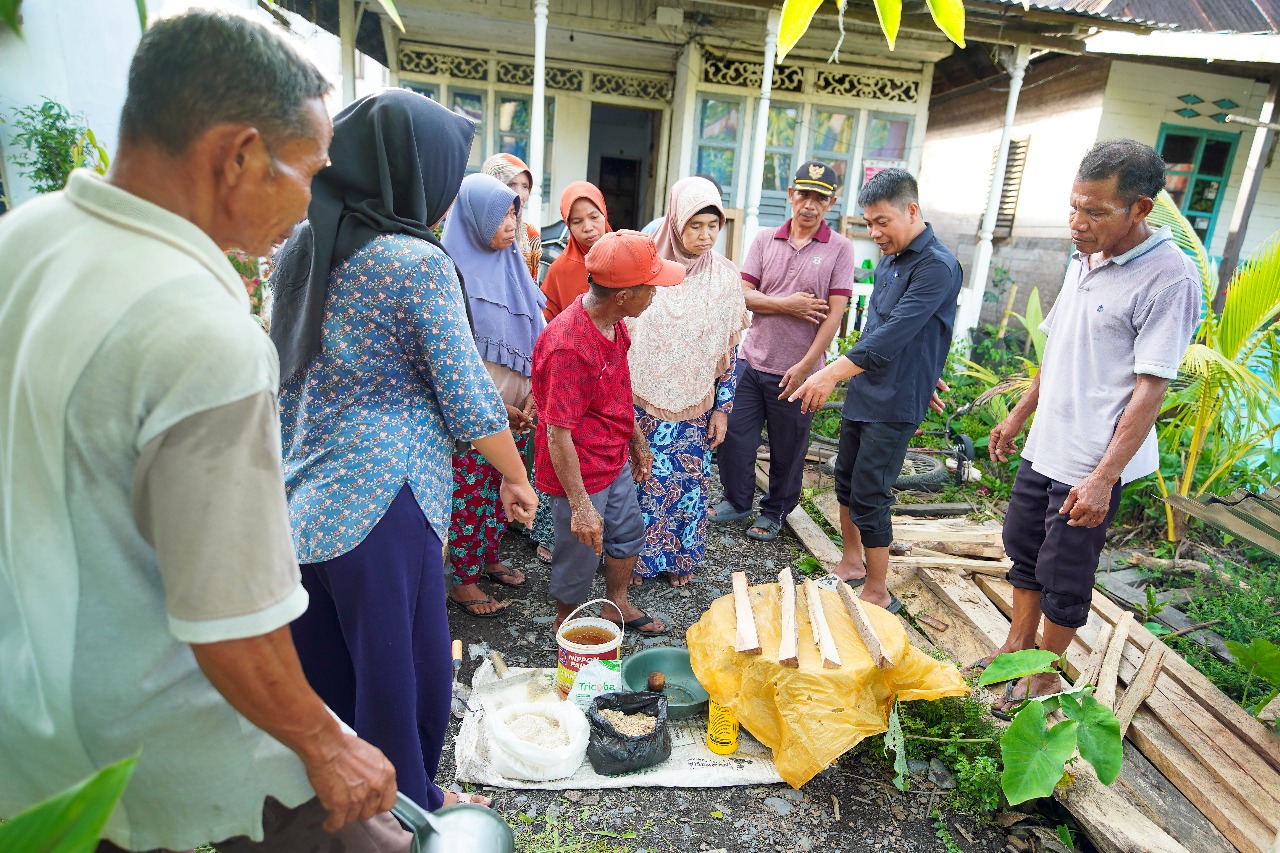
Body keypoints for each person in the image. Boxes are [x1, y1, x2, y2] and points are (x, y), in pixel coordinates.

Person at [0, 9, 411, 852]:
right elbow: (234, 619)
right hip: (163, 757)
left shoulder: (23, 239)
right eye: (310, 172)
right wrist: (329, 743)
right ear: (241, 155)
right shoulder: (201, 334)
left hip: (27, 737)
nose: (309, 204)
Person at [271, 90, 537, 812]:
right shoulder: (411, 262)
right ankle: (408, 810)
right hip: (386, 500)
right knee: (405, 675)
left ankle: (334, 806)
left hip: (304, 501)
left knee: (328, 671)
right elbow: (468, 393)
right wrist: (515, 476)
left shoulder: (303, 244)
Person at [967, 140, 1200, 712]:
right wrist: (1020, 413)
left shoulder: (1170, 278)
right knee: (1022, 549)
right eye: (1074, 206)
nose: (1077, 222)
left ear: (1140, 210)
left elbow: (1151, 389)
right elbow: (1060, 347)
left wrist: (1103, 477)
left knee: (1064, 572)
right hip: (1048, 443)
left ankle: (1045, 674)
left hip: (1093, 460)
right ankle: (1016, 648)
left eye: (1094, 212)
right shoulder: (1084, 255)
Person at [789, 169, 962, 614]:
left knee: (871, 491)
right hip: (867, 388)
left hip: (898, 400)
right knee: (846, 478)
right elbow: (880, 326)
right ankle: (851, 562)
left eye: (882, 221)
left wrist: (829, 375)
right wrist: (931, 369)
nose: (875, 233)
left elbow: (896, 334)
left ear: (912, 211)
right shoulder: (890, 258)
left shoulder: (937, 267)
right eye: (868, 223)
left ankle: (879, 591)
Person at [533, 230, 685, 635]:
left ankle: (615, 604)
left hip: (611, 454)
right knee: (579, 552)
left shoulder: (613, 324)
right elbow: (557, 434)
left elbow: (617, 387)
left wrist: (636, 439)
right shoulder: (569, 346)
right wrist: (581, 504)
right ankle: (567, 623)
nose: (655, 292)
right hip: (578, 468)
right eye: (650, 286)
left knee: (629, 533)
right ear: (623, 295)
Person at [711, 160, 855, 541]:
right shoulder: (763, 240)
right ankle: (738, 501)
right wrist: (788, 305)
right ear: (791, 195)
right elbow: (741, 295)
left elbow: (834, 315)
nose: (810, 204)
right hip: (752, 359)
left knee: (788, 448)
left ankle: (775, 510)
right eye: (804, 194)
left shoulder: (840, 249)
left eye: (820, 198)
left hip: (799, 370)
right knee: (734, 436)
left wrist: (808, 366)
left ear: (831, 203)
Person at [627, 177, 749, 586]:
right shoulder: (648, 271)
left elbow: (729, 354)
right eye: (695, 225)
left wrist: (723, 411)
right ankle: (635, 562)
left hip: (696, 406)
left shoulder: (726, 278)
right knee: (642, 480)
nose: (705, 235)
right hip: (642, 402)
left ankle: (679, 560)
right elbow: (628, 336)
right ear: (676, 222)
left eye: (713, 225)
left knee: (687, 486)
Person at [441, 173, 546, 616]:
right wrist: (493, 406)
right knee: (467, 493)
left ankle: (487, 557)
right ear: (472, 219)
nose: (510, 223)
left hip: (517, 413)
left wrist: (532, 397)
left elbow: (535, 341)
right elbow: (450, 358)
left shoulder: (514, 268)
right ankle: (462, 580)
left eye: (513, 213)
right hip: (472, 417)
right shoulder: (449, 271)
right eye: (500, 215)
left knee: (501, 489)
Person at [541, 181, 610, 321]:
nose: (588, 227)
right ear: (568, 225)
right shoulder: (560, 270)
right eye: (577, 222)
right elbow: (546, 323)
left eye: (594, 217)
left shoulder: (625, 257)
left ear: (604, 214)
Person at [481, 152, 542, 281]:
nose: (520, 194)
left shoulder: (531, 236)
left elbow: (532, 289)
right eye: (511, 184)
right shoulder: (475, 232)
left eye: (525, 186)